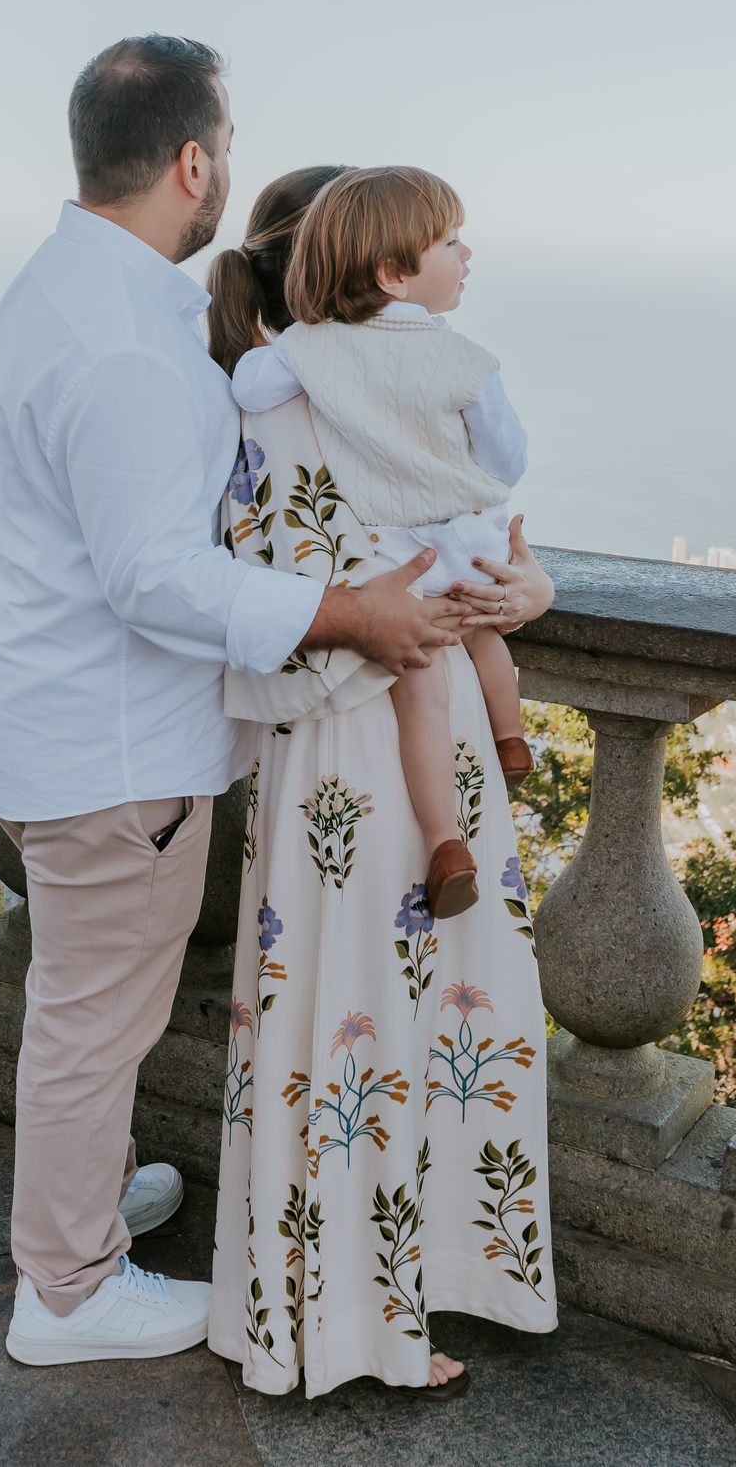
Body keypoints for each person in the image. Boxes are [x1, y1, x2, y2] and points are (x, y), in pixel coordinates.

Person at [0, 36, 476, 1367]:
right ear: (193, 162)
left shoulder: (59, 287)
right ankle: (66, 1291)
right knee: (93, 1023)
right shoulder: (130, 343)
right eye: (228, 149)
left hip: (51, 720)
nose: (231, 172)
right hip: (112, 750)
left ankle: (78, 1203)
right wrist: (348, 610)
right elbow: (151, 574)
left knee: (85, 1007)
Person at [206, 168, 558, 1401]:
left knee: (353, 1016)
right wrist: (469, 606)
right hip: (382, 734)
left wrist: (524, 590)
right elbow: (272, 587)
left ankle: (340, 1300)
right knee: (379, 1015)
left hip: (352, 743)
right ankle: (365, 1324)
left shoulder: (276, 391)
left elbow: (472, 538)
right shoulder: (304, 397)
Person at [231, 167, 532, 920]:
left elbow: (249, 388)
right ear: (393, 270)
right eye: (451, 242)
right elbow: (504, 464)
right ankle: (511, 740)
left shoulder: (300, 362)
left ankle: (444, 841)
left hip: (380, 588)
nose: (466, 254)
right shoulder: (464, 358)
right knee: (479, 636)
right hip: (458, 566)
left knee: (420, 695)